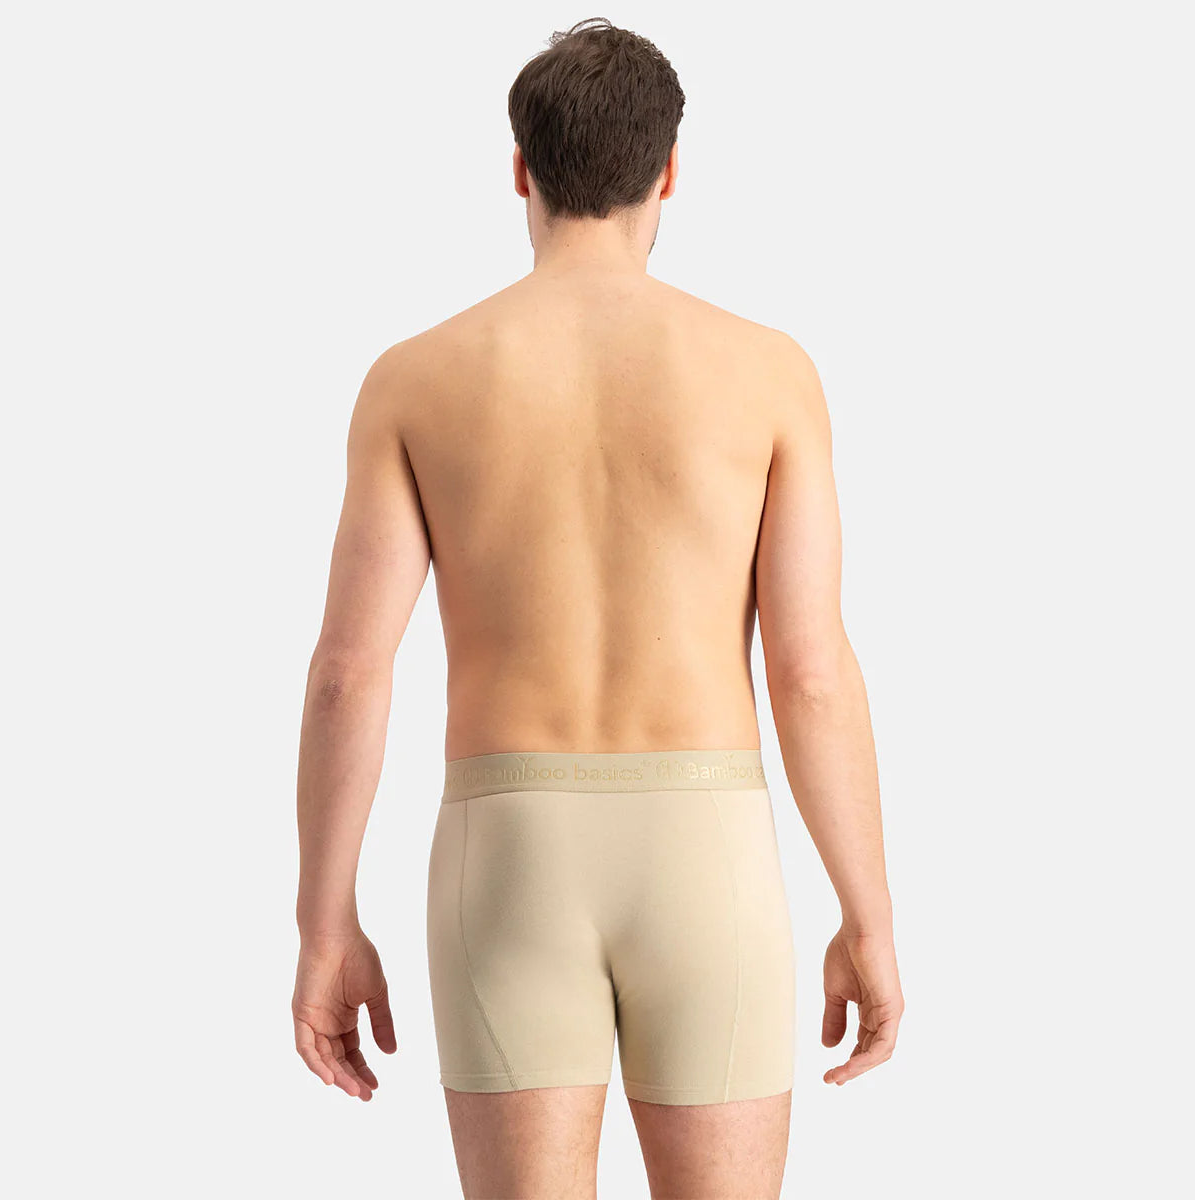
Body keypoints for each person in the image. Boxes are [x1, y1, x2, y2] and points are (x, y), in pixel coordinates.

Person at [292, 17, 903, 1199]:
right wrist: (867, 916)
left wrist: (326, 924)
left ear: (520, 169)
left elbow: (347, 672)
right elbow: (811, 672)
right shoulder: (769, 373)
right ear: (668, 172)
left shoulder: (415, 379)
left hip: (504, 858)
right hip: (708, 853)